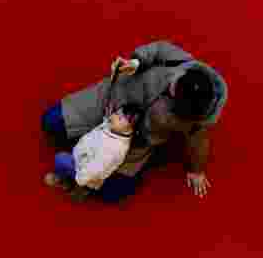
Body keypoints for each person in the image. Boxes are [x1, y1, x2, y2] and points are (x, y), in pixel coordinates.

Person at [41, 41, 227, 201]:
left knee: (115, 192)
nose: (170, 86)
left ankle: (75, 176)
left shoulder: (196, 122)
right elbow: (159, 49)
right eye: (175, 84)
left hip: (131, 140)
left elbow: (198, 143)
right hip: (110, 99)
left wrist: (197, 171)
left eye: (174, 94)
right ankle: (81, 159)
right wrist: (137, 62)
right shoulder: (184, 63)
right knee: (51, 122)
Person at [44, 104, 142, 200]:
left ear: (130, 129)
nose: (114, 117)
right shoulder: (116, 129)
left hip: (85, 175)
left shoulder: (113, 150)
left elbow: (95, 169)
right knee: (65, 159)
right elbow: (106, 128)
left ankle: (71, 185)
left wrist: (80, 179)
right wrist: (107, 118)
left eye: (120, 118)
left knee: (61, 158)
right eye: (116, 113)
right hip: (84, 159)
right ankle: (72, 182)